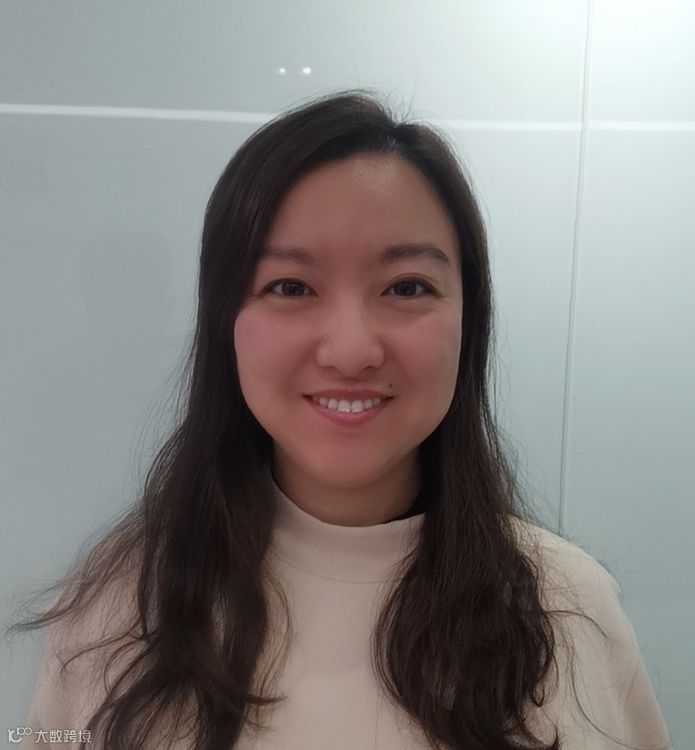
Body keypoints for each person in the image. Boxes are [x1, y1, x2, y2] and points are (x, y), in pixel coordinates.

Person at [7, 90, 671, 750]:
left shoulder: (568, 607)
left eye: (406, 286)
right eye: (290, 287)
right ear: (225, 322)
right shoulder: (121, 605)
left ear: (469, 322)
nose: (351, 351)